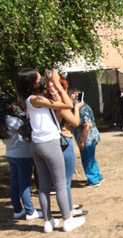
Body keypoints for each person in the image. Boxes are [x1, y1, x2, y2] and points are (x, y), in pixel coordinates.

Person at [15, 69, 86, 233]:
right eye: (39, 78)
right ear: (33, 82)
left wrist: (50, 82)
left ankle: (48, 221)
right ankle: (68, 220)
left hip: (37, 145)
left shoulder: (28, 99)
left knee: (44, 186)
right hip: (50, 143)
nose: (41, 80)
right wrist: (58, 86)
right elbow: (68, 104)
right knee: (60, 184)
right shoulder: (37, 99)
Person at [47, 78, 84, 215]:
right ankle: (67, 210)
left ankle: (68, 205)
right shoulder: (59, 105)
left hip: (51, 143)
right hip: (63, 142)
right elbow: (75, 122)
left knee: (60, 181)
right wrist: (77, 108)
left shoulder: (44, 102)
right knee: (65, 180)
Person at [0, 99, 41, 220]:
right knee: (24, 184)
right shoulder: (12, 120)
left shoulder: (2, 122)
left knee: (15, 184)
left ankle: (17, 210)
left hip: (11, 154)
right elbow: (27, 130)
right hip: (23, 154)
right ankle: (30, 211)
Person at [71, 90, 104, 188]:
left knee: (87, 159)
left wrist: (82, 141)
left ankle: (94, 180)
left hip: (87, 138)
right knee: (91, 158)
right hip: (90, 137)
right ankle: (97, 176)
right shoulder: (83, 107)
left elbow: (87, 126)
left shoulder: (82, 109)